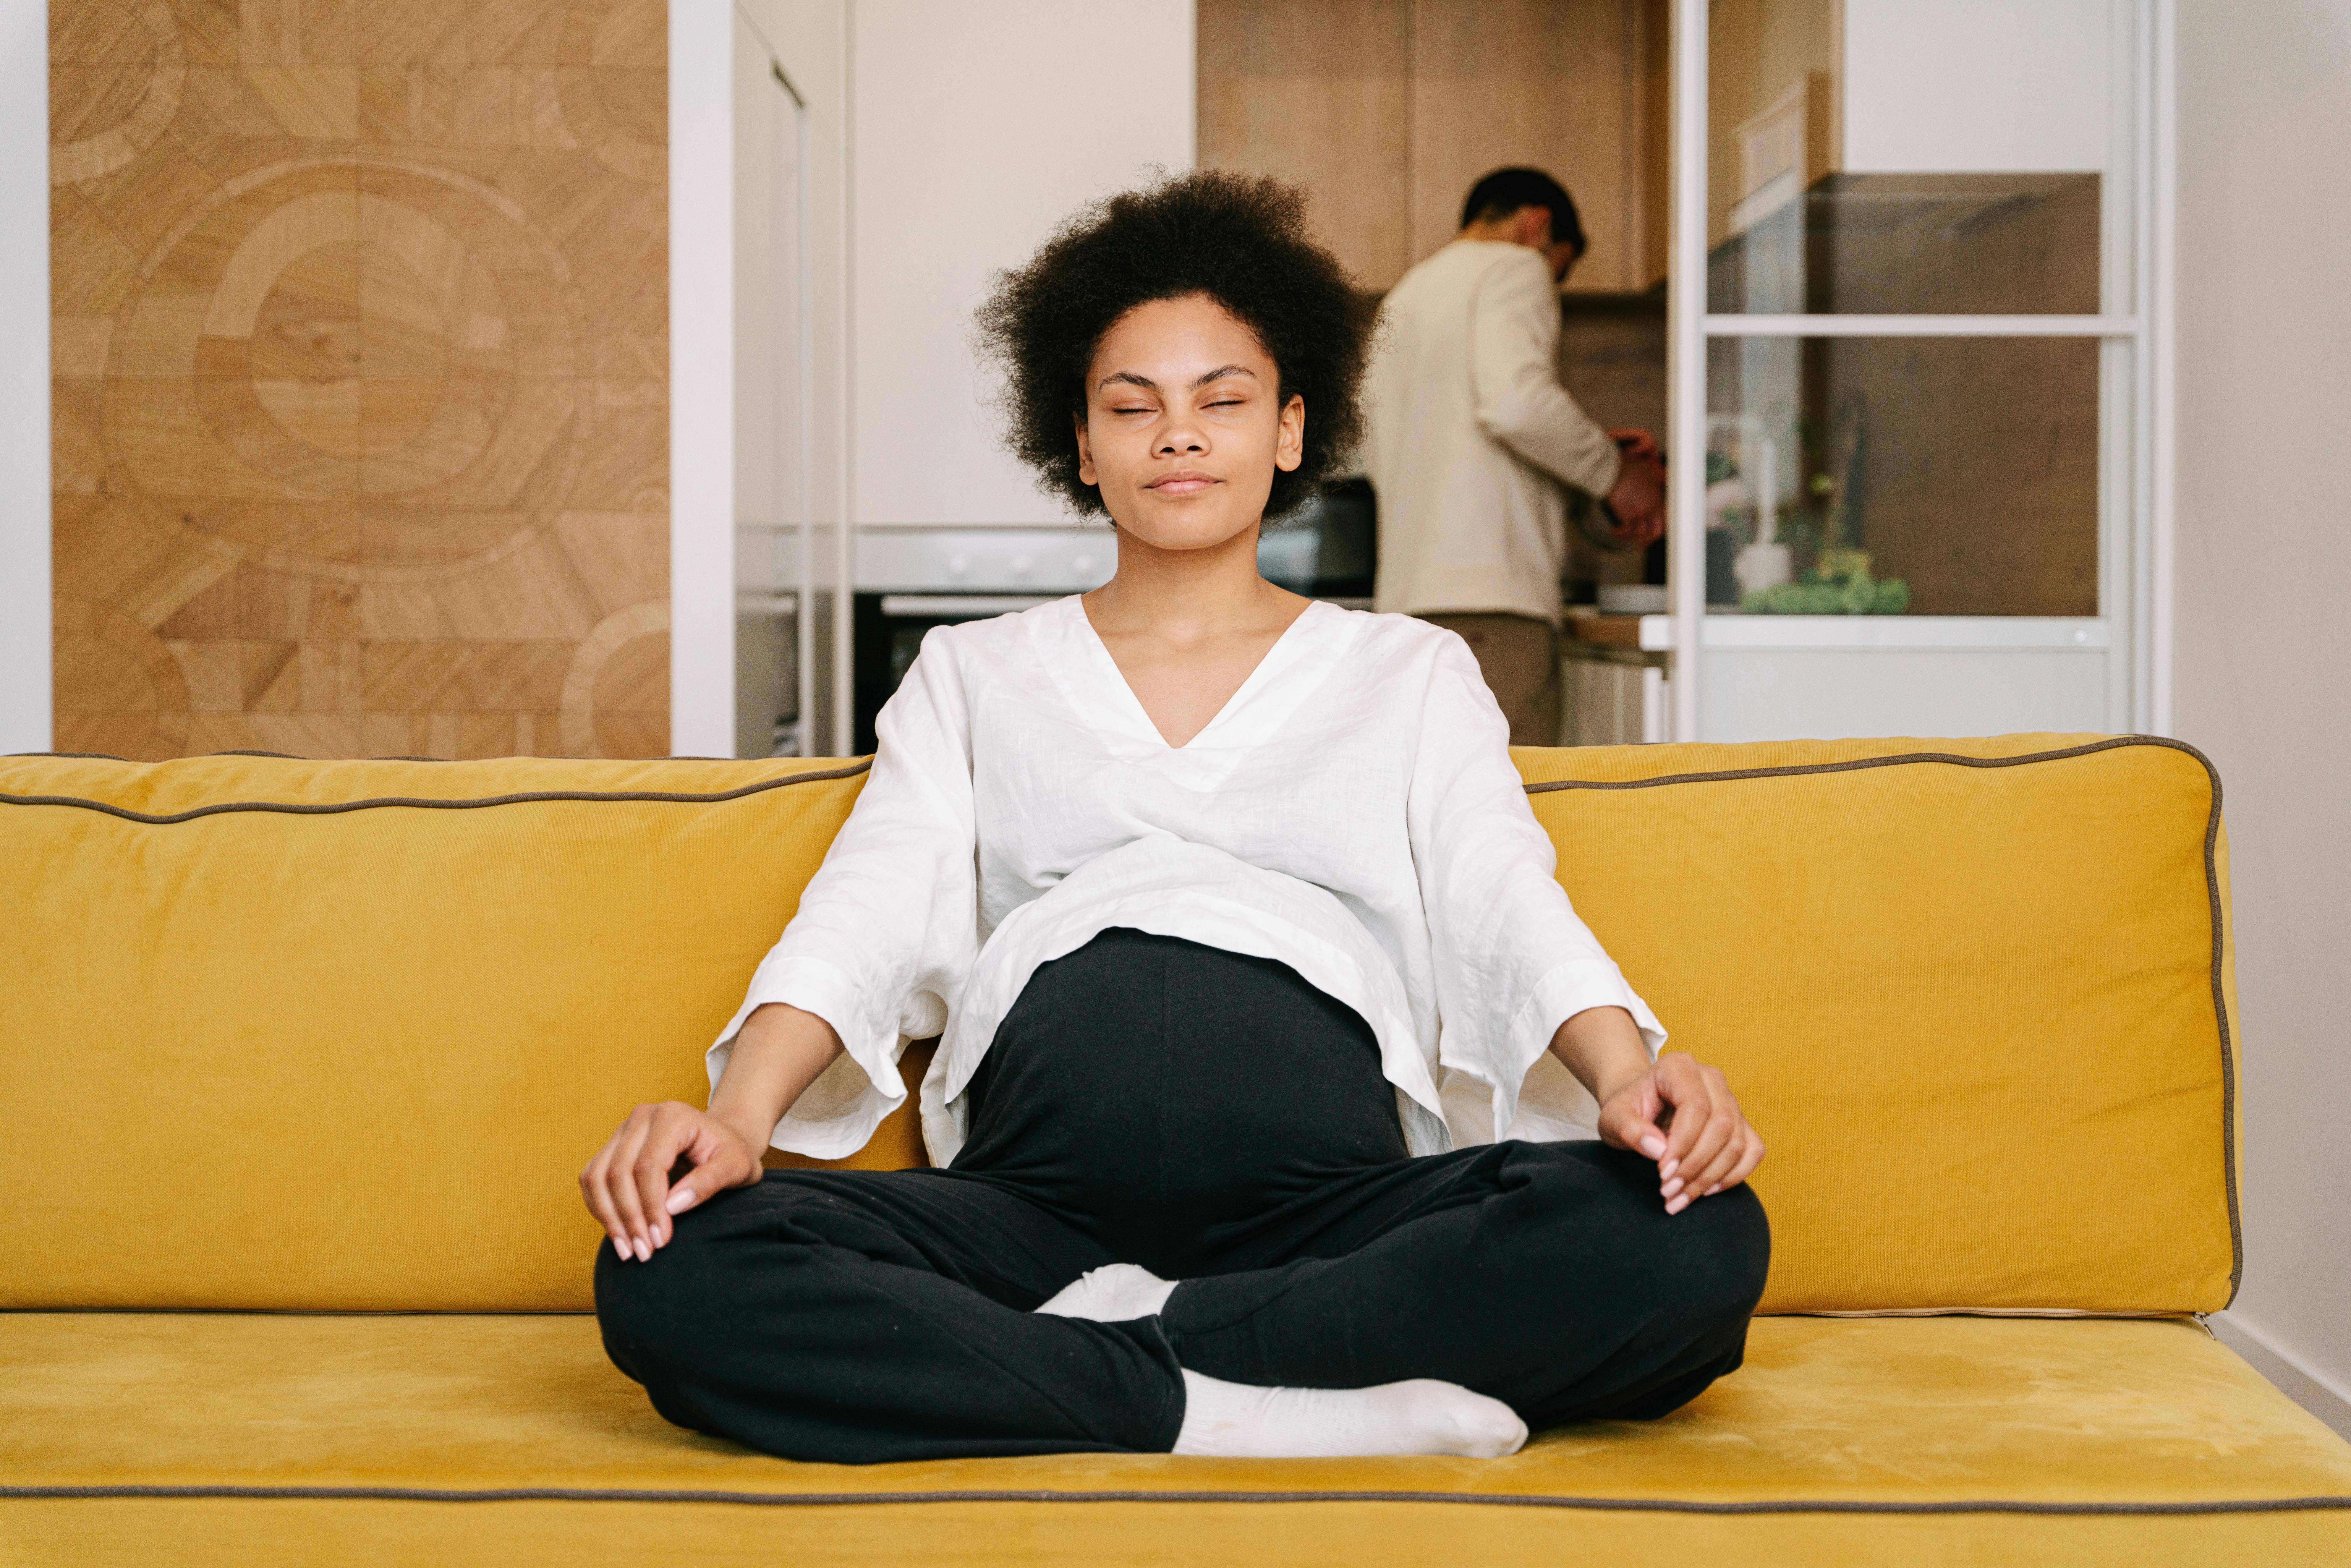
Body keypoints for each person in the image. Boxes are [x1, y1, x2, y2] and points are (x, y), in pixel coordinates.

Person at [582, 172, 1765, 1467]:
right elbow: (867, 903)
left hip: (1339, 1215)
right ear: (1081, 446)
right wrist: (739, 1125)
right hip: (1029, 1213)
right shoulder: (973, 673)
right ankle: (1240, 1401)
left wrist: (1625, 1072)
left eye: (1223, 401)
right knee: (671, 1263)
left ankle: (1121, 1353)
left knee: (1697, 1233)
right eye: (1131, 407)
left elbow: (1501, 894)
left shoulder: (1408, 672)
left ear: (1290, 430)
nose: (1179, 436)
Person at [1364, 166, 1668, 745]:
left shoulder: (1406, 294)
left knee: (1428, 813)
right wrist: (1615, 476)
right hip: (1492, 605)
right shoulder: (1515, 265)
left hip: (1407, 607)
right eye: (1561, 267)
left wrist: (1594, 450)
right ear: (1539, 225)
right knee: (1513, 807)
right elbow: (1515, 404)